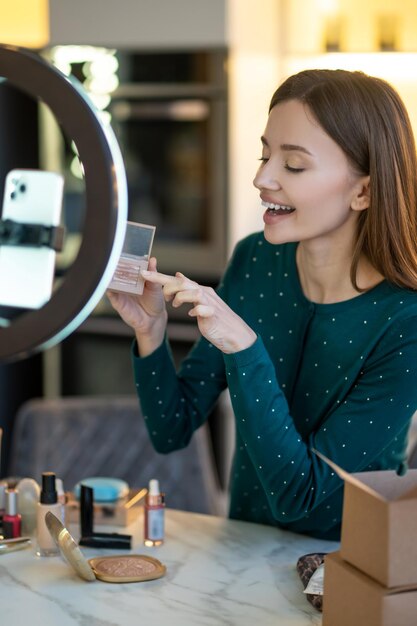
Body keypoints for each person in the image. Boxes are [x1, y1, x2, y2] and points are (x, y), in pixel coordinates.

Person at [108, 69, 417, 541]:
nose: (261, 177)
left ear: (364, 191)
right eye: (265, 154)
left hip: (349, 572)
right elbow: (171, 428)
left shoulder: (406, 322)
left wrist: (244, 347)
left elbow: (299, 495)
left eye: (293, 165)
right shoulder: (255, 259)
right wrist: (150, 331)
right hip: (241, 554)